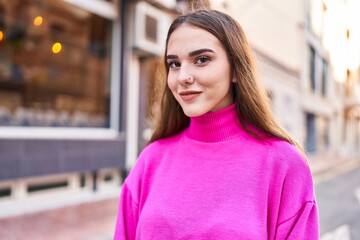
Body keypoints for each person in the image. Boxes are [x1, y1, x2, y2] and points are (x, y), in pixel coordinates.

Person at [114, 9, 319, 240]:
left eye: (201, 60)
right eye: (174, 64)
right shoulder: (151, 160)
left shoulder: (284, 164)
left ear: (235, 70)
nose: (183, 76)